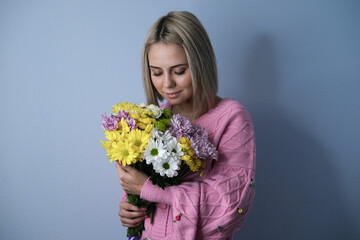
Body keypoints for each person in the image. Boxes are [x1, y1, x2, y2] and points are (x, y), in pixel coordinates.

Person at [116, 11, 256, 240]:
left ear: (200, 64)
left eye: (179, 71)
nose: (167, 84)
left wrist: (151, 189)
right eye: (157, 72)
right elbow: (143, 191)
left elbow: (230, 204)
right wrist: (131, 207)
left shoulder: (232, 118)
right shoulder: (155, 119)